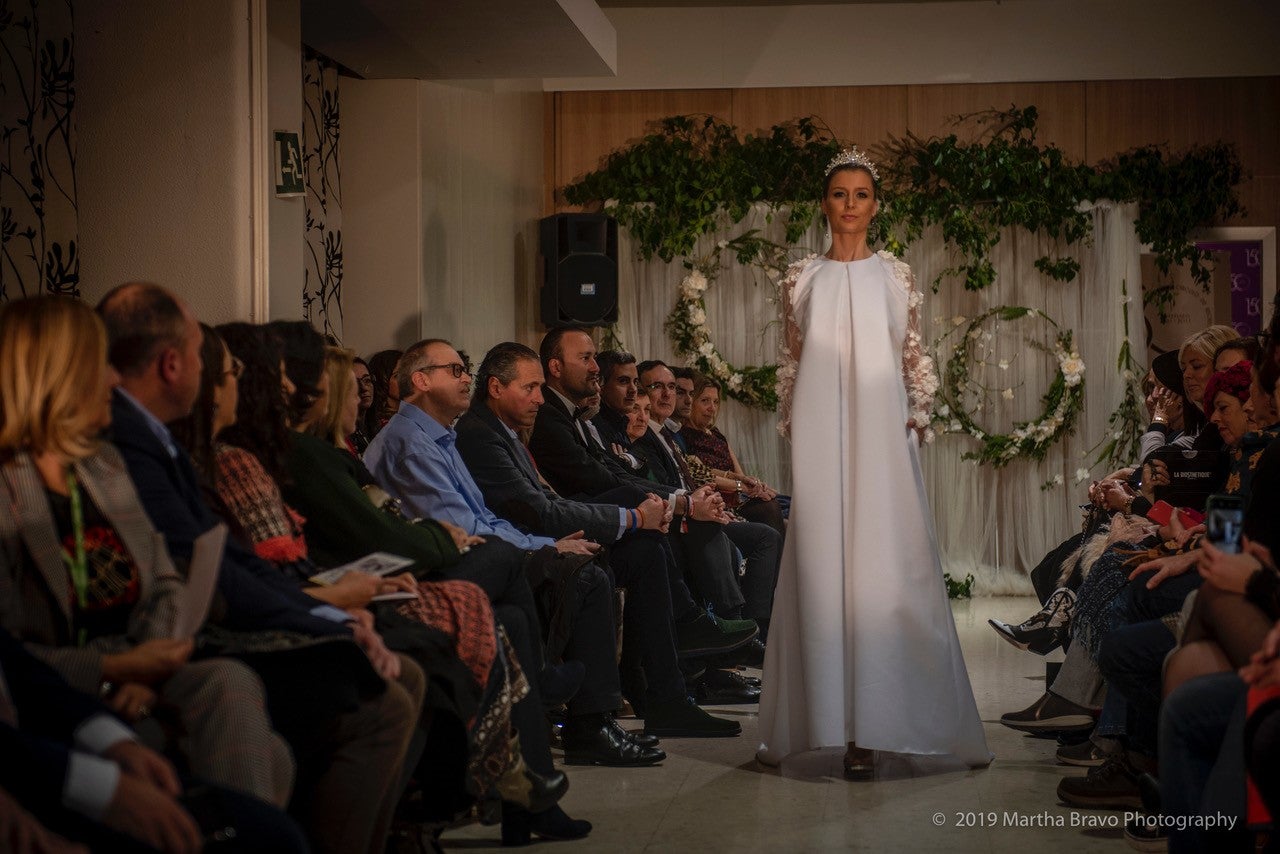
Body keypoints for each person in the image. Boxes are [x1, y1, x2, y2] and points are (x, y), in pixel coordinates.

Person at [758, 147, 992, 775]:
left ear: (875, 205)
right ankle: (836, 727)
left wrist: (920, 410)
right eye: (839, 193)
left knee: (888, 566)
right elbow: (791, 359)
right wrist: (791, 425)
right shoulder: (801, 277)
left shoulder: (897, 275)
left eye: (861, 194)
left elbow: (912, 351)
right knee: (822, 565)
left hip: (885, 427)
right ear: (825, 203)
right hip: (817, 427)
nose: (850, 205)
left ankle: (892, 722)